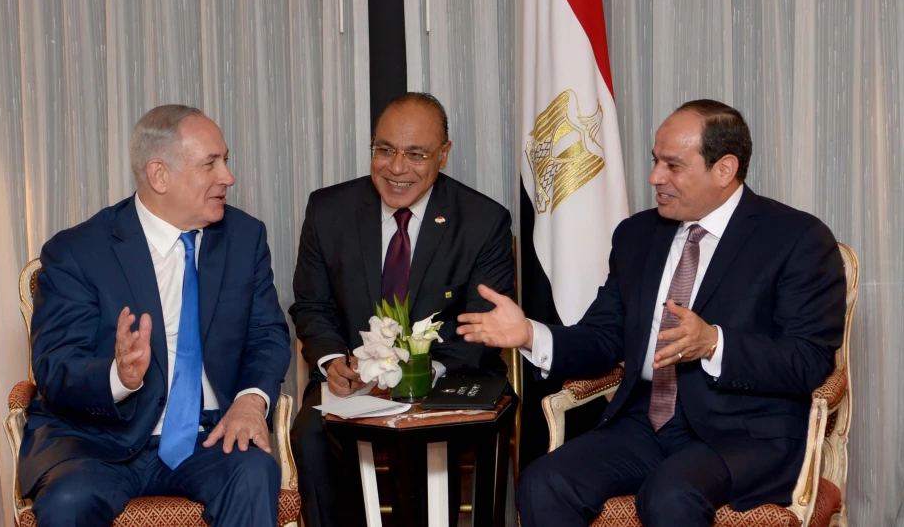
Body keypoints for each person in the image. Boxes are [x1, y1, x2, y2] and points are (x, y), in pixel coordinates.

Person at [457, 100, 847, 526]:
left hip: (744, 433)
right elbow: (603, 337)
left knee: (668, 497)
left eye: (673, 165)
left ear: (724, 169)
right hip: (645, 422)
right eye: (655, 161)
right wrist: (531, 334)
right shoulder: (637, 235)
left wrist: (714, 343)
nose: (655, 177)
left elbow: (808, 361)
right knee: (543, 482)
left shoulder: (796, 239)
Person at [19, 105, 292, 527]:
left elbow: (267, 334)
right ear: (159, 175)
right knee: (67, 500)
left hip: (208, 437)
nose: (228, 177)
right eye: (210, 164)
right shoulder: (77, 252)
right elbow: (55, 366)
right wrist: (118, 376)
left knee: (254, 471)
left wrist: (250, 402)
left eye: (226, 160)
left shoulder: (244, 237)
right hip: (99, 442)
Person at [289, 92, 515, 527]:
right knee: (312, 435)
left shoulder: (484, 220)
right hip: (353, 386)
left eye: (416, 154)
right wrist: (333, 359)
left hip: (449, 380)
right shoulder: (328, 211)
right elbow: (312, 306)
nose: (396, 168)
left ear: (443, 155)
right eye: (385, 150)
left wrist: (419, 372)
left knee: (436, 441)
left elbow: (483, 325)